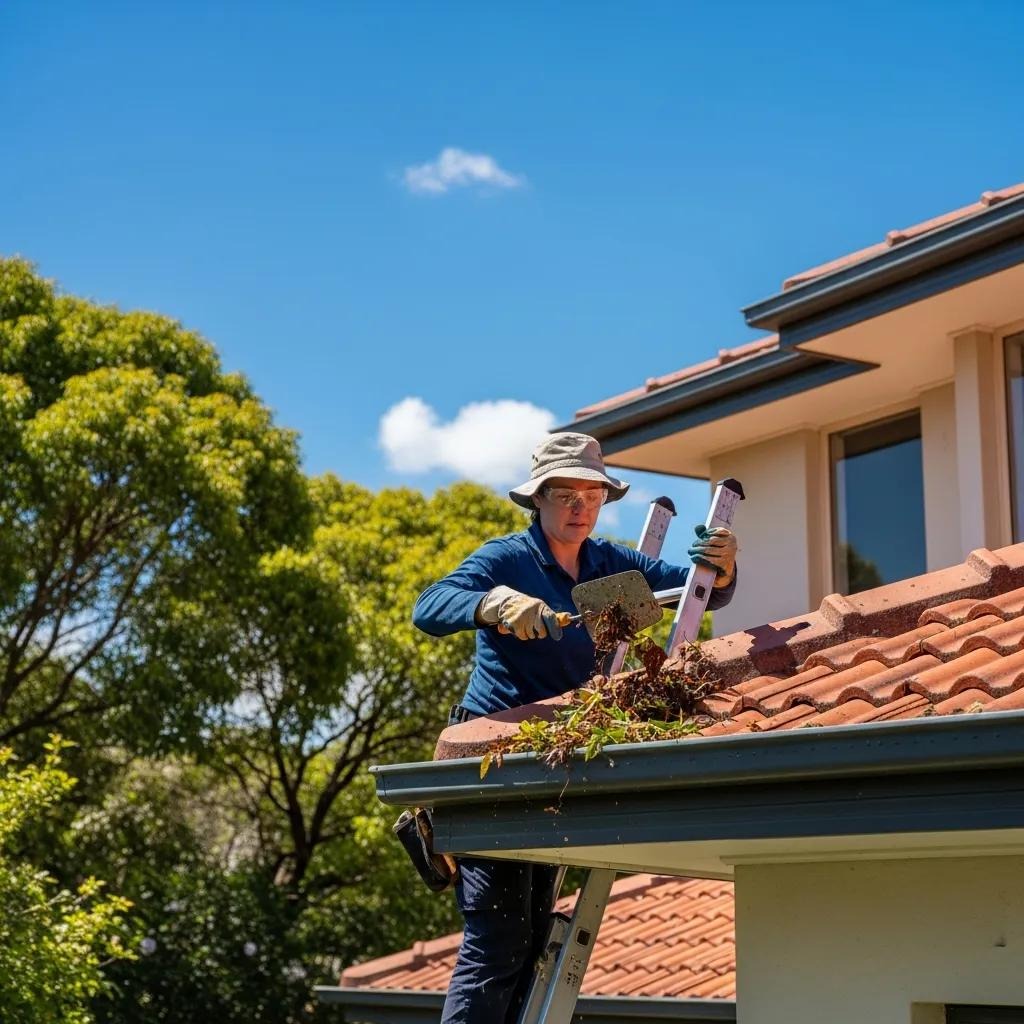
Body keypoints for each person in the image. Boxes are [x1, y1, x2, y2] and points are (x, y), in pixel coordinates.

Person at [412, 432, 738, 1024]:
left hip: (556, 761)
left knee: (535, 937)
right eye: (564, 494)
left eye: (591, 495)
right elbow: (430, 605)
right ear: (537, 499)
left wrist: (724, 563)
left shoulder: (610, 565)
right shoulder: (505, 559)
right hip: (494, 764)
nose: (579, 507)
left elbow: (698, 590)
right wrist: (493, 605)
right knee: (497, 941)